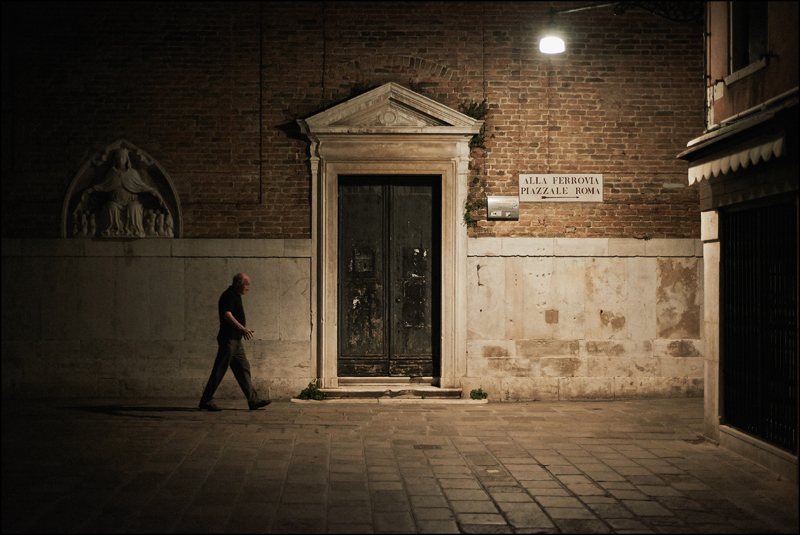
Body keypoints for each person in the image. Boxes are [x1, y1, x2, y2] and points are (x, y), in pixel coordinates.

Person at [199, 273, 269, 411]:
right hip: (229, 339)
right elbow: (227, 314)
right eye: (246, 284)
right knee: (219, 369)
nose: (248, 288)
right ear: (238, 282)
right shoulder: (229, 295)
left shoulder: (235, 295)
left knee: (243, 369)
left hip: (236, 340)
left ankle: (253, 400)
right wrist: (242, 328)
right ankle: (206, 400)